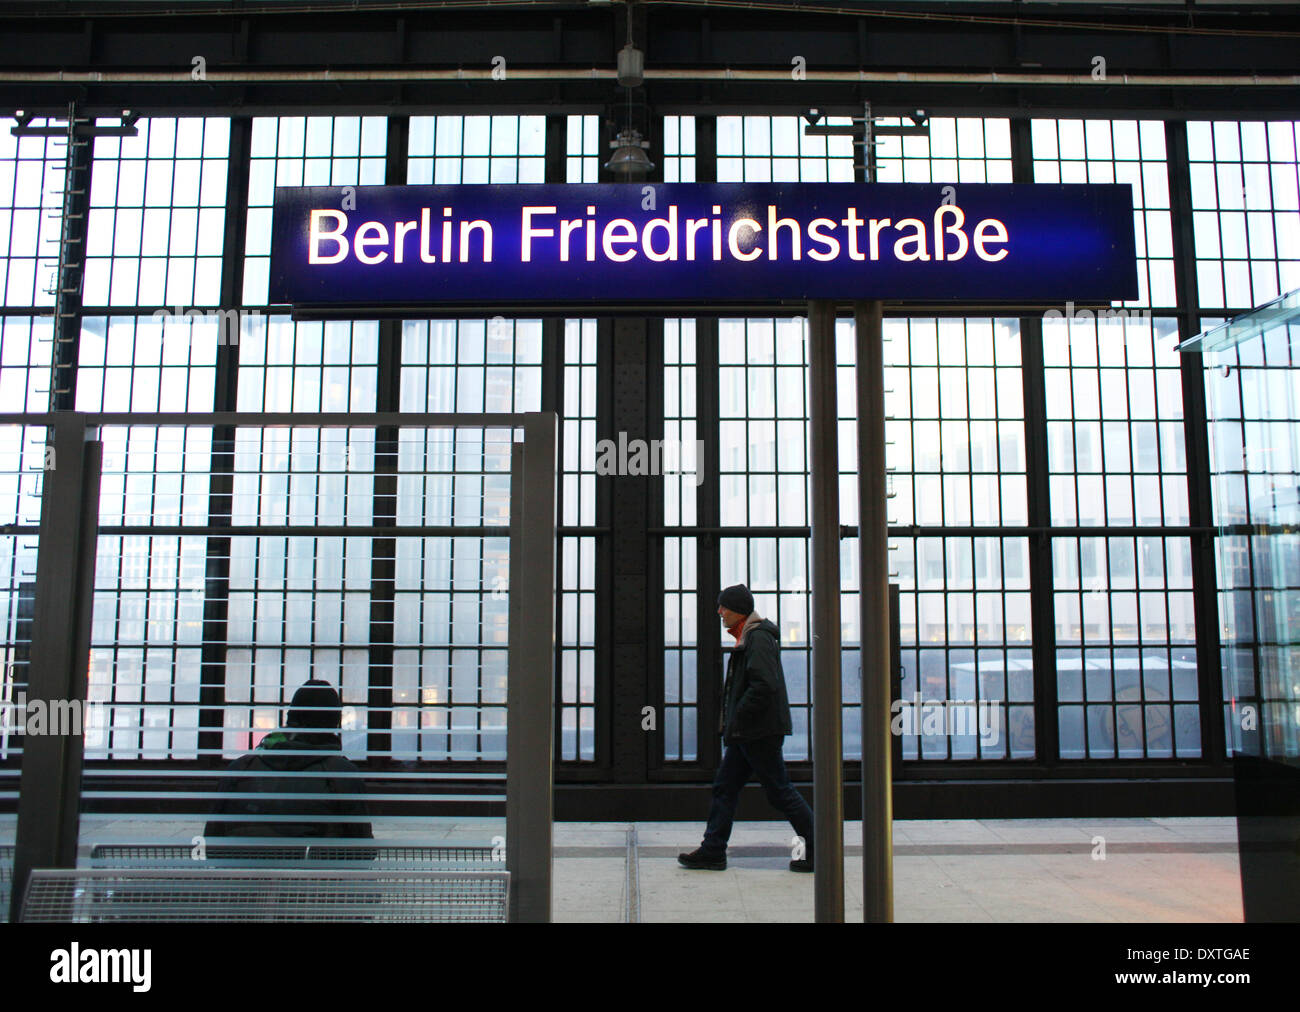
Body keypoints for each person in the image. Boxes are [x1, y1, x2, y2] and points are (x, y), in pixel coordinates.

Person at [679, 584, 815, 873]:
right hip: (749, 732)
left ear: (738, 610)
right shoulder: (749, 637)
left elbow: (764, 684)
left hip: (757, 732)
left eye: (723, 607)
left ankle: (818, 849)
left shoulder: (758, 639)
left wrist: (738, 715)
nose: (719, 612)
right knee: (725, 788)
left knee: (779, 791)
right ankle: (713, 850)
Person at [204, 679, 373, 844]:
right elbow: (362, 849)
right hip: (317, 871)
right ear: (333, 723)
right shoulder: (341, 776)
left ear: (290, 718)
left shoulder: (240, 769)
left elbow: (211, 841)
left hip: (245, 870)